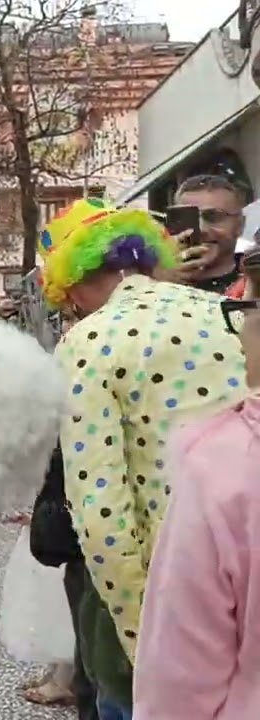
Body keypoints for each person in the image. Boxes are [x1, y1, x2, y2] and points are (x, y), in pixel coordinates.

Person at [42, 198, 248, 720]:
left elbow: (100, 514)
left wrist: (143, 641)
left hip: (169, 593)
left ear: (75, 285)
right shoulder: (226, 313)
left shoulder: (88, 341)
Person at [131, 269, 260, 718]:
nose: (238, 335)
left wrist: (127, 618)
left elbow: (182, 678)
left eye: (244, 309)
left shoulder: (226, 465)